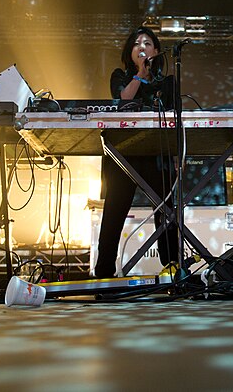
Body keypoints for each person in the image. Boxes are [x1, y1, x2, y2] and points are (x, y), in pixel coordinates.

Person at [94, 26, 179, 278]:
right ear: (129, 52)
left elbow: (174, 121)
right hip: (124, 153)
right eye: (136, 44)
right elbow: (121, 99)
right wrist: (140, 75)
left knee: (166, 210)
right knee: (114, 210)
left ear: (156, 50)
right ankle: (104, 271)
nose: (142, 47)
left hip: (157, 153)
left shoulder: (168, 83)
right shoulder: (120, 76)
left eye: (147, 43)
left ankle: (173, 265)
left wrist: (174, 157)